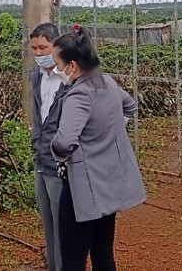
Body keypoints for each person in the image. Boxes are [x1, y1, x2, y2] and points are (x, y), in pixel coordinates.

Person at [51, 26, 145, 271]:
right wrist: (109, 134)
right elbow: (130, 106)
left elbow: (63, 142)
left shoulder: (79, 95)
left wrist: (60, 153)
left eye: (57, 64)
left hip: (81, 188)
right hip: (108, 183)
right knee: (103, 252)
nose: (55, 69)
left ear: (72, 66)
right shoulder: (107, 82)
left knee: (73, 257)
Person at [29, 22, 66, 271]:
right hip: (41, 160)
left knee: (63, 224)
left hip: (60, 163)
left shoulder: (69, 80)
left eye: (43, 47)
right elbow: (38, 116)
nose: (38, 53)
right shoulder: (36, 77)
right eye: (34, 48)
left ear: (56, 47)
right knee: (48, 221)